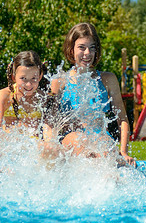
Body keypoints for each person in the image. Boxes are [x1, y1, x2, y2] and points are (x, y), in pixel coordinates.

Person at [51, 23, 136, 167]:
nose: (87, 53)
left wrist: (123, 151)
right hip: (71, 137)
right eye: (82, 47)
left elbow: (122, 119)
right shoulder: (60, 81)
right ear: (71, 49)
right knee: (81, 143)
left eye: (92, 48)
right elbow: (51, 121)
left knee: (106, 152)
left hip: (100, 136)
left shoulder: (107, 79)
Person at [0, 50, 58, 170]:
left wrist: (51, 148)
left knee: (51, 150)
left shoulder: (44, 99)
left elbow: (49, 133)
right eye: (23, 78)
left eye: (34, 78)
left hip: (33, 150)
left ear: (40, 76)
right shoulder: (5, 96)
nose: (29, 84)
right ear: (14, 77)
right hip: (10, 149)